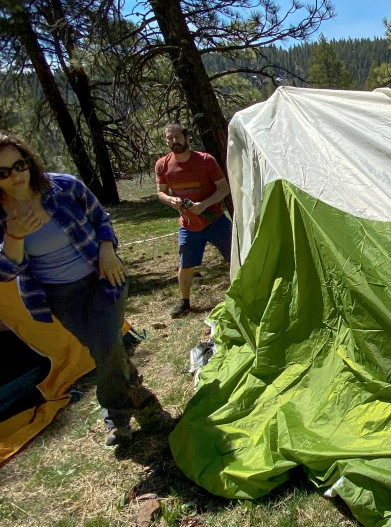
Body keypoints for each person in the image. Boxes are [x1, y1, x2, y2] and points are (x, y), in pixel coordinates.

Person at [0, 130, 166, 446]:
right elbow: (7, 271)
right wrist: (15, 236)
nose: (15, 175)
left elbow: (100, 217)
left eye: (19, 165)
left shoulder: (62, 186)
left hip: (104, 276)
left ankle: (116, 417)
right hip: (60, 296)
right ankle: (140, 395)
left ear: (28, 162)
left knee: (104, 345)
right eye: (2, 172)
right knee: (105, 350)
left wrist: (107, 248)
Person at [155, 122, 231, 318]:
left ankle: (249, 290)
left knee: (236, 256)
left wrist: (204, 204)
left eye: (177, 137)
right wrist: (171, 200)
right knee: (185, 264)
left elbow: (224, 188)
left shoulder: (205, 160)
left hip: (215, 220)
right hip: (188, 225)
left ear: (187, 137)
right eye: (169, 138)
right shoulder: (162, 165)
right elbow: (160, 193)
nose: (174, 141)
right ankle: (185, 302)